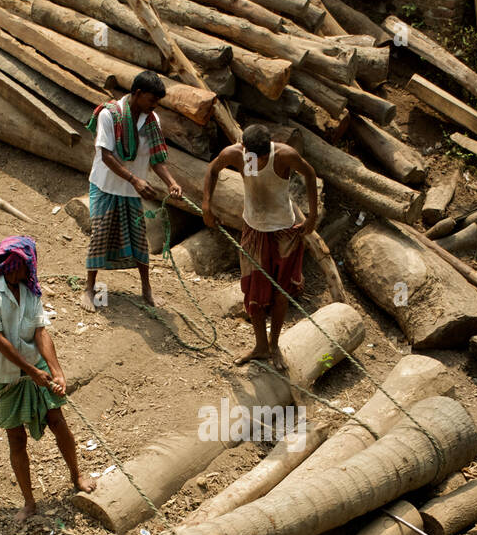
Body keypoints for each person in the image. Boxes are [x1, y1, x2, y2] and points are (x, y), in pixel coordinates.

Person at [0, 236, 95, 521]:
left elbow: (40, 332)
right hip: (6, 375)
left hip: (35, 369)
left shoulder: (31, 291)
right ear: (19, 264)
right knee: (16, 438)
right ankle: (29, 502)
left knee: (58, 422)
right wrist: (32, 371)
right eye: (30, 265)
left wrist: (55, 370)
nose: (33, 271)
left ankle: (77, 476)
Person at [201, 123, 318, 371]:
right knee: (253, 292)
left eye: (264, 155)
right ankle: (260, 346)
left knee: (281, 293)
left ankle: (274, 345)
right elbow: (213, 169)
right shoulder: (234, 154)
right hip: (253, 229)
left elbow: (309, 174)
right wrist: (206, 205)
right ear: (244, 148)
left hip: (284, 230)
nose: (260, 160)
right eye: (255, 156)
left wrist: (312, 216)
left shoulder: (285, 154)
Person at [81, 71, 184, 313]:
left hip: (131, 189)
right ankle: (89, 287)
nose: (154, 106)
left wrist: (171, 182)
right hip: (105, 185)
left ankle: (146, 289)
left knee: (139, 239)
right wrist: (134, 179)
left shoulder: (152, 120)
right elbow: (105, 155)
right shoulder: (110, 115)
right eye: (151, 100)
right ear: (137, 94)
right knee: (99, 236)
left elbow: (156, 159)